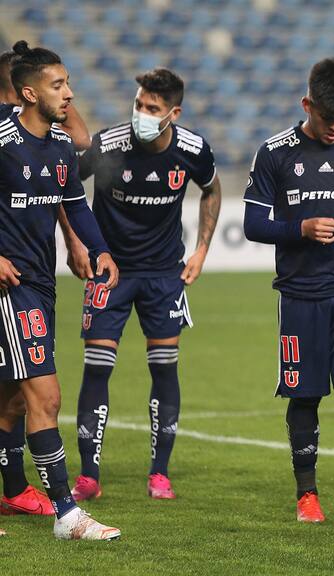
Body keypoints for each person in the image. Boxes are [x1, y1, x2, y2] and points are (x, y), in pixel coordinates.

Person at [243, 58, 334, 528]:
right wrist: (300, 229)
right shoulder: (275, 153)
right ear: (307, 104)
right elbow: (252, 225)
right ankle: (307, 494)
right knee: (304, 394)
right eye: (327, 118)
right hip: (301, 295)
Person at [61, 68, 221, 502]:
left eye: (152, 109)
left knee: (164, 367)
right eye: (138, 105)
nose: (141, 115)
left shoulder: (192, 149)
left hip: (164, 275)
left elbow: (211, 189)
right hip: (109, 272)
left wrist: (202, 250)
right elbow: (65, 185)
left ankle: (160, 473)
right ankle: (89, 475)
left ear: (174, 112)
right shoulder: (108, 145)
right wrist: (75, 242)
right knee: (97, 367)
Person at [0, 40, 120, 539]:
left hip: (41, 282)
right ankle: (68, 514)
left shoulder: (60, 146)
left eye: (68, 82)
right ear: (28, 93)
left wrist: (100, 249)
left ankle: (10, 491)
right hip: (11, 288)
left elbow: (77, 205)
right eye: (58, 85)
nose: (69, 93)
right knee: (44, 396)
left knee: (9, 398)